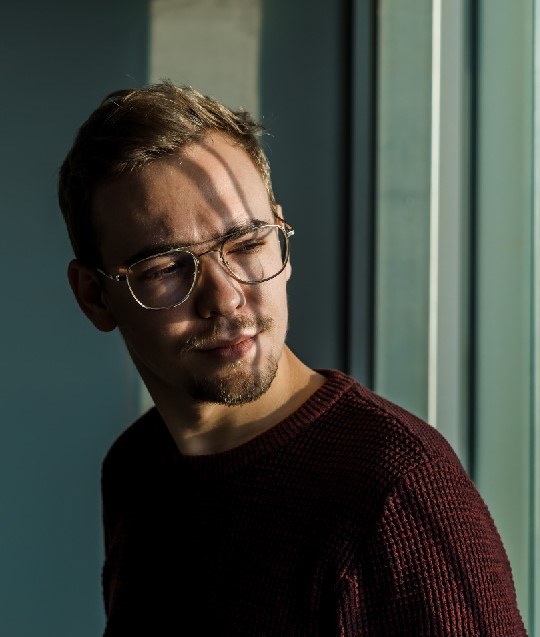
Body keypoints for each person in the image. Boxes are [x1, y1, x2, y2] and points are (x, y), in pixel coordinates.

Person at [59, 81, 526, 636]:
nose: (226, 297)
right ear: (94, 295)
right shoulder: (137, 468)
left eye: (248, 244)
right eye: (164, 269)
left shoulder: (396, 492)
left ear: (281, 237)